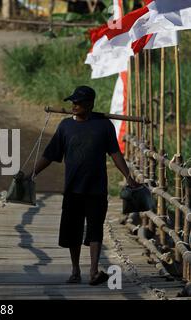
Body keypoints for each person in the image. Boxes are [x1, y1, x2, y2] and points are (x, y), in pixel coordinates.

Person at [26, 86, 139, 286]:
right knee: (73, 232)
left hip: (96, 188)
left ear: (89, 104)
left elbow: (115, 154)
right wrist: (32, 173)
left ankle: (94, 271)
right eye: (73, 102)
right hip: (73, 189)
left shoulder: (103, 126)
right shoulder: (65, 127)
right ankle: (75, 270)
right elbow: (50, 154)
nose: (74, 106)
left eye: (78, 103)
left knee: (95, 229)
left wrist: (128, 176)